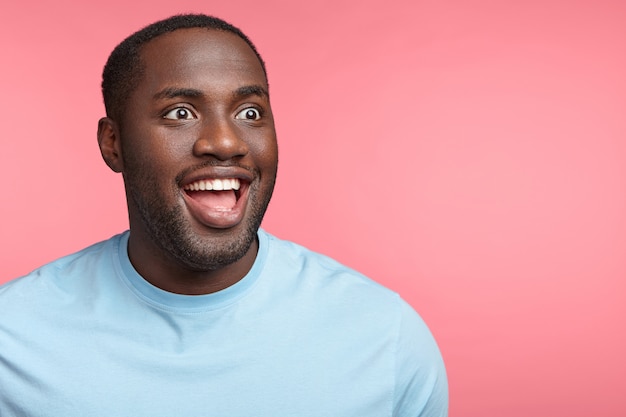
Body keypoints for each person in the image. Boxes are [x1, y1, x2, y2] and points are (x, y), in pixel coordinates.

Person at [0, 14, 448, 416]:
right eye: (181, 113)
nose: (226, 142)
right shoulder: (13, 340)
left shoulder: (382, 336)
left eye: (250, 112)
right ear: (113, 143)